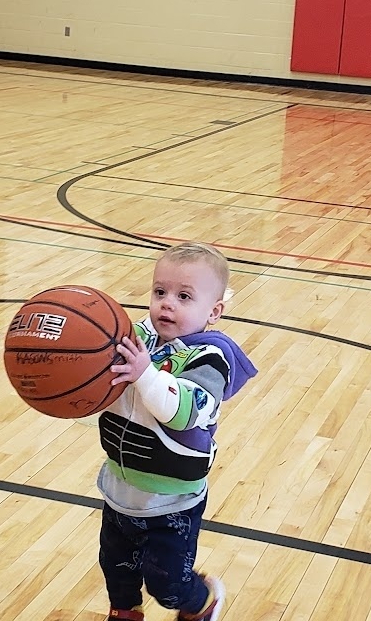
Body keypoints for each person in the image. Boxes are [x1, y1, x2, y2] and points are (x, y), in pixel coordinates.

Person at [98, 242, 257, 621]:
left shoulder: (210, 357)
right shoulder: (138, 339)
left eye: (184, 296)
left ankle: (203, 602)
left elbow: (183, 413)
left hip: (173, 501)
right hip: (121, 487)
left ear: (213, 311)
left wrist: (145, 374)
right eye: (160, 292)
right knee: (115, 570)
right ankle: (125, 613)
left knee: (167, 586)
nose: (167, 303)